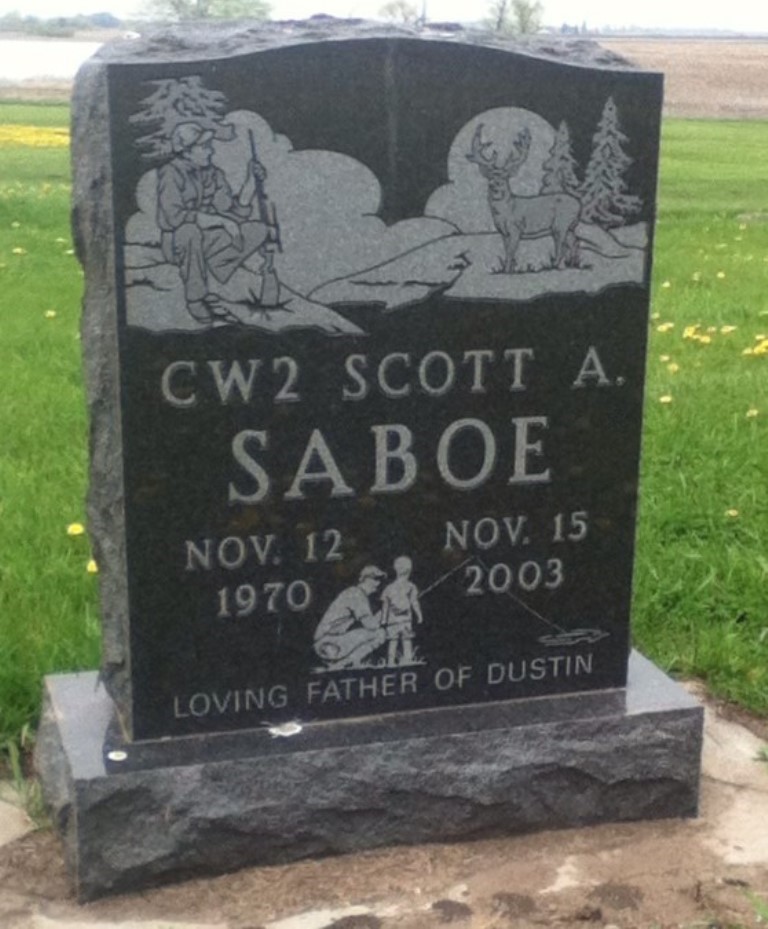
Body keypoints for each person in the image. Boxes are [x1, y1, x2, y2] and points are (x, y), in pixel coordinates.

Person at [156, 121, 278, 324]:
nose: (210, 151)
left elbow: (231, 209)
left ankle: (220, 268)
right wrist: (215, 220)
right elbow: (171, 217)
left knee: (258, 229)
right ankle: (195, 298)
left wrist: (250, 183)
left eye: (209, 146)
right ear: (187, 151)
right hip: (179, 241)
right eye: (204, 147)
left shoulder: (214, 174)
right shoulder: (171, 173)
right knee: (190, 231)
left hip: (212, 239)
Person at [313, 566, 387, 670]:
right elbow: (371, 625)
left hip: (329, 640)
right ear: (366, 579)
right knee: (380, 633)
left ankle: (340, 664)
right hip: (328, 642)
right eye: (375, 579)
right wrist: (386, 612)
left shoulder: (353, 592)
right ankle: (344, 664)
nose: (378, 584)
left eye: (379, 580)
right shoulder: (356, 594)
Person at [381, 556, 423, 667]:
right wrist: (419, 615)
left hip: (392, 621)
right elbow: (414, 602)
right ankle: (407, 661)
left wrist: (384, 620)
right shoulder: (411, 586)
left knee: (393, 642)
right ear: (409, 570)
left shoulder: (388, 588)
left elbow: (385, 606)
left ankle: (390, 662)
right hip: (405, 620)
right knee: (406, 641)